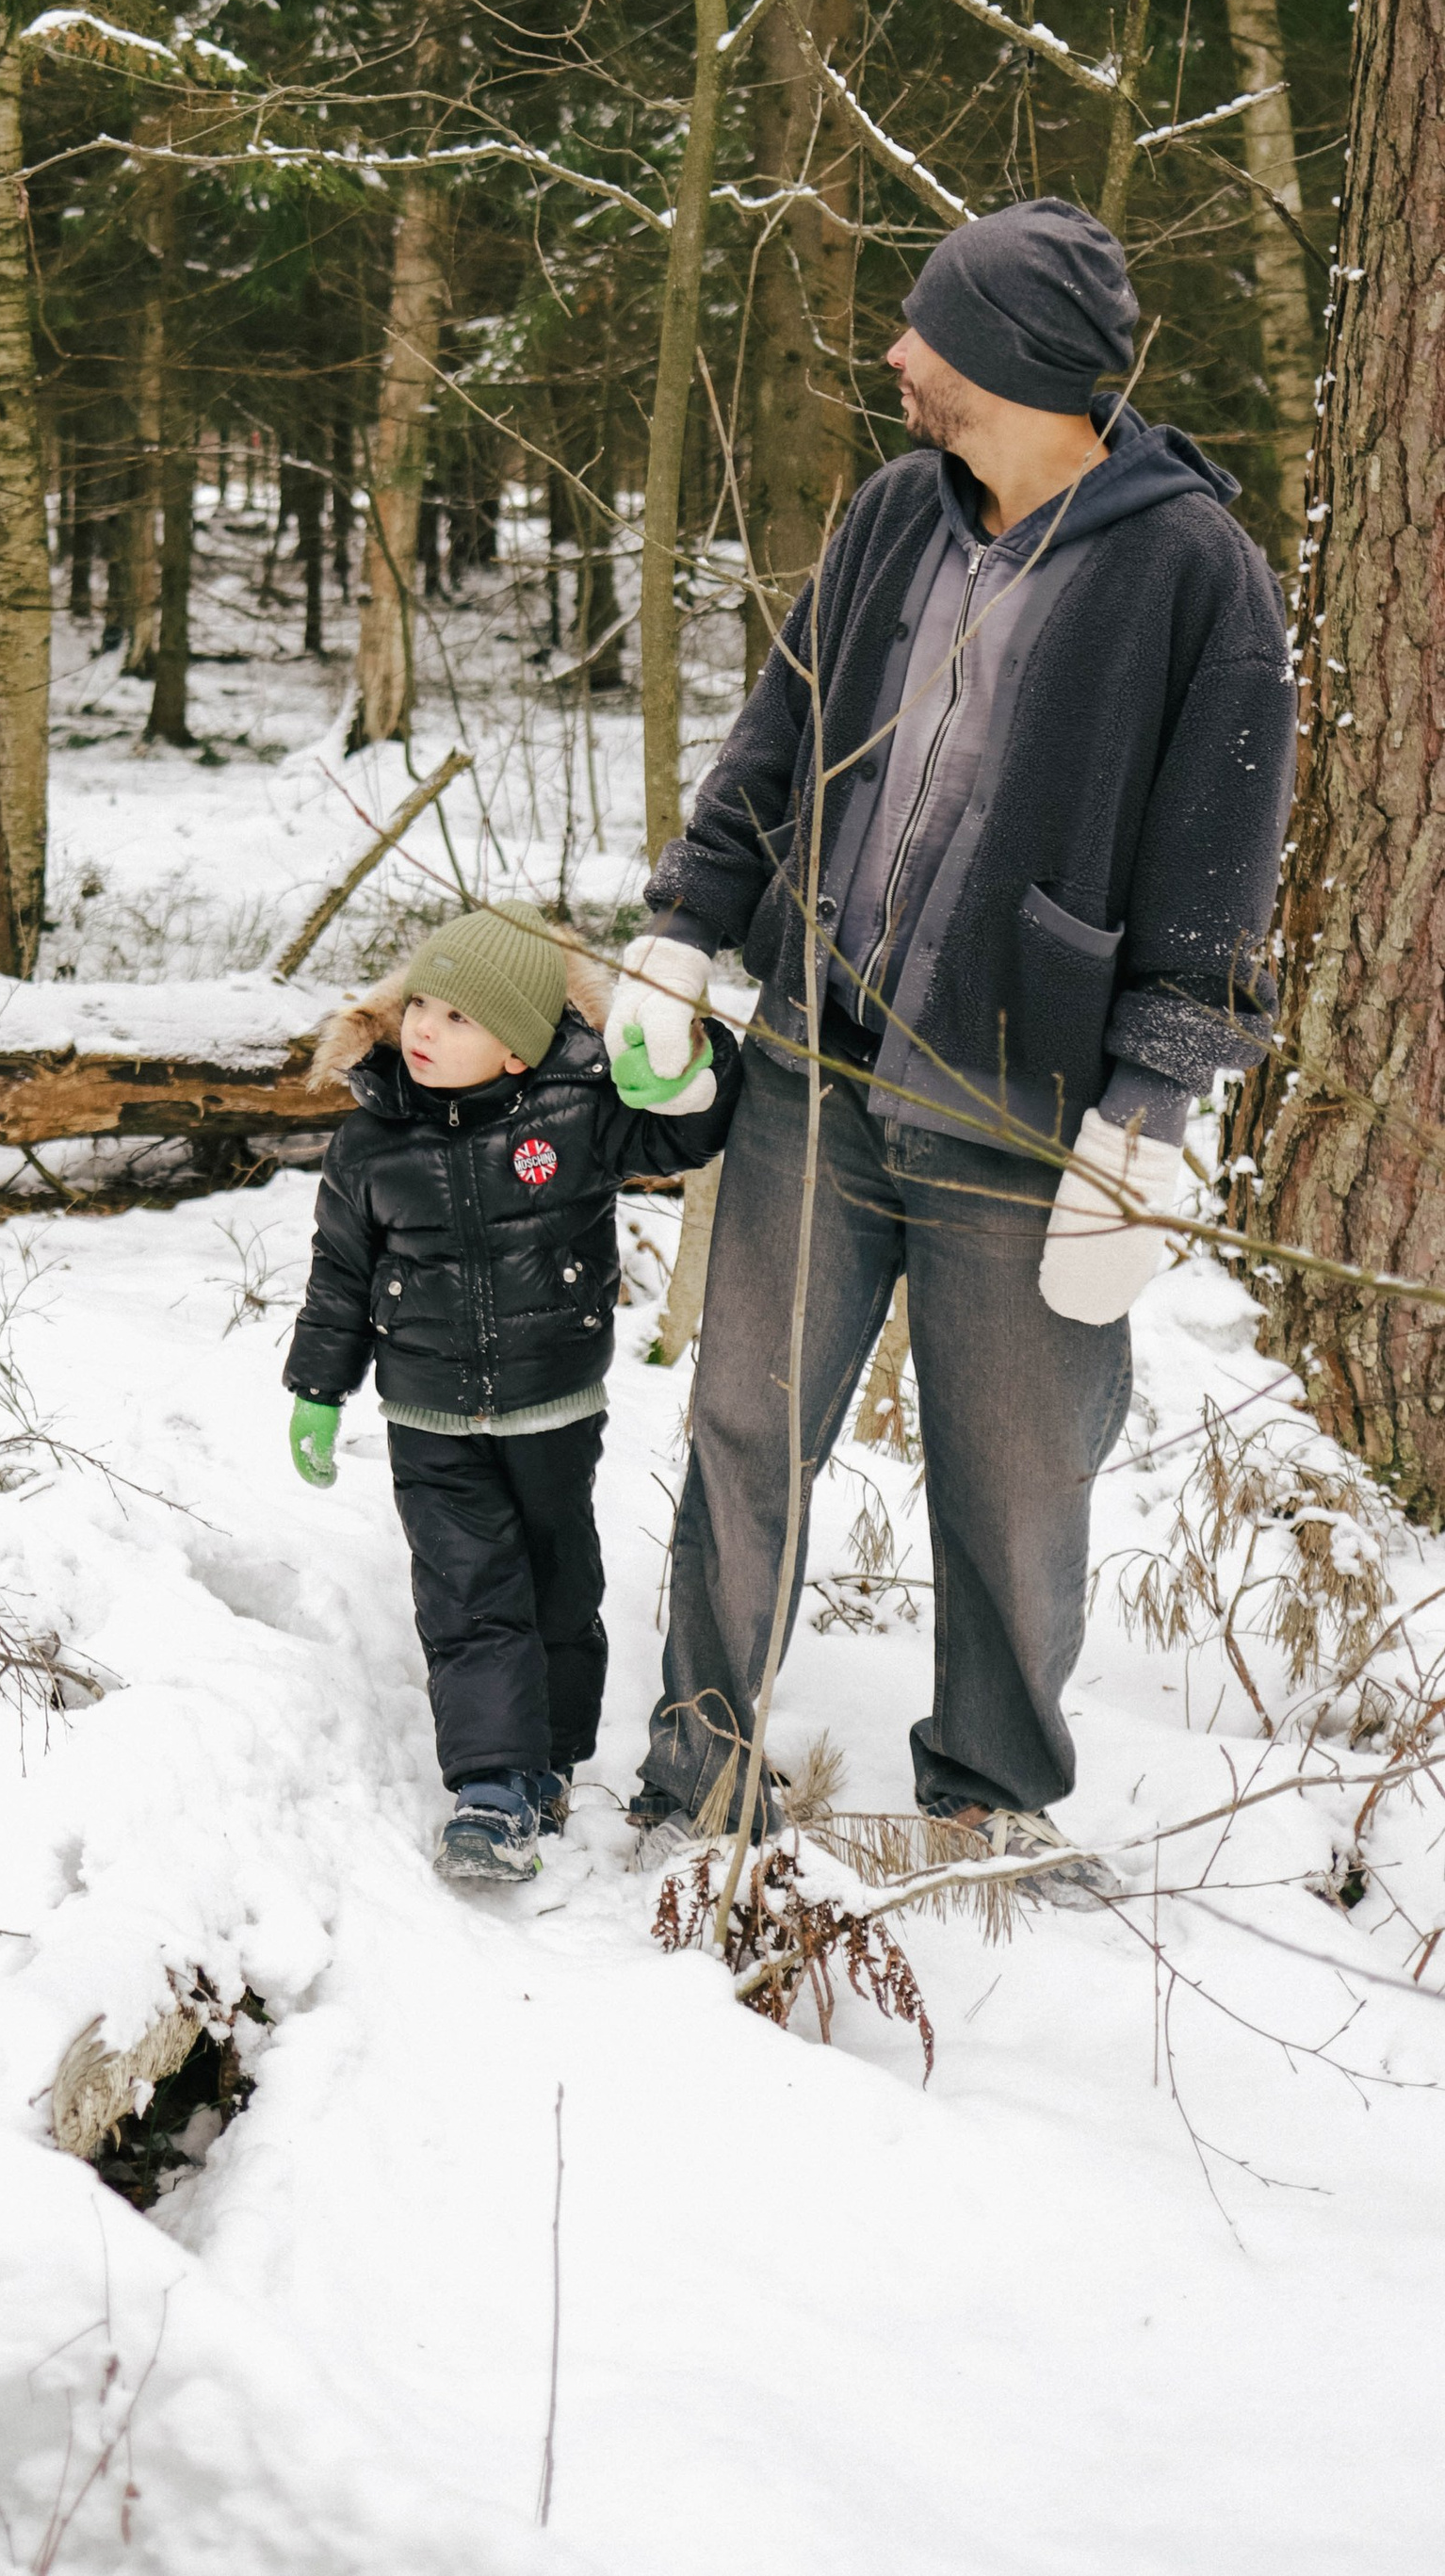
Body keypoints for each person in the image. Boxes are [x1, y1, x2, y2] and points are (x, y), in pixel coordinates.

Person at [612, 196, 1294, 1895]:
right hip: (818, 1069)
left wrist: (1150, 1109)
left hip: (1025, 1107)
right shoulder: (895, 514)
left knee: (1016, 1478)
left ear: (1013, 363)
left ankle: (988, 1796)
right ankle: (699, 1765)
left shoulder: (1196, 576)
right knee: (745, 1425)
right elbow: (783, 733)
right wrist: (691, 922)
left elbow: (1217, 870)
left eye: (928, 330)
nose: (898, 353)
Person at [283, 902, 740, 1885]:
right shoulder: (371, 1142)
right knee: (467, 1591)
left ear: (523, 1052)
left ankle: (552, 1758)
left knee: (558, 1586)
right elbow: (337, 1273)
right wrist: (318, 1387)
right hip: (425, 1415)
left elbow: (691, 1131)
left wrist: (690, 1069)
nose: (423, 1030)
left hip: (552, 1409)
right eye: (421, 1006)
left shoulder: (576, 1112)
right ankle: (490, 1788)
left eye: (458, 1019)